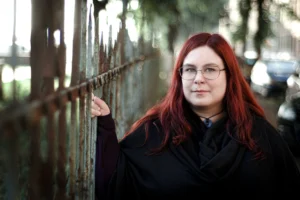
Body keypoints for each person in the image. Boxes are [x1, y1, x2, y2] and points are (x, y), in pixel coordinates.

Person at [91, 32, 300, 199]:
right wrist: (105, 127)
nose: (198, 78)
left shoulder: (260, 136)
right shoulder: (155, 133)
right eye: (189, 70)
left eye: (210, 70)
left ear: (230, 76)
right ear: (179, 77)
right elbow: (115, 182)